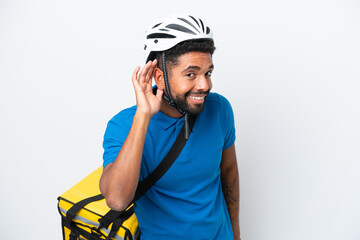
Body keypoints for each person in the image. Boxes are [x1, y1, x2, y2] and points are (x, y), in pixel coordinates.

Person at [99, 14, 240, 240]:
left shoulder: (220, 109)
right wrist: (143, 116)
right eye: (191, 74)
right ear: (160, 77)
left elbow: (229, 172)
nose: (205, 85)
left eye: (208, 73)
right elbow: (116, 199)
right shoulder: (124, 126)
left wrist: (235, 234)